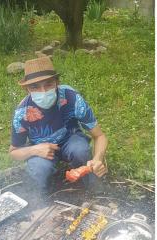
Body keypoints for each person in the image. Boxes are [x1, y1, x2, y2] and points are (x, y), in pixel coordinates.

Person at [9, 57, 108, 194]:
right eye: (35, 87)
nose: (43, 91)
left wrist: (97, 159)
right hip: (42, 149)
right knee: (38, 167)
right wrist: (35, 150)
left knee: (80, 150)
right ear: (27, 90)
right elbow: (13, 152)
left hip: (70, 139)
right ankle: (40, 201)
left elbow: (100, 136)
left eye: (48, 84)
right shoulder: (22, 113)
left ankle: (94, 188)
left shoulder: (72, 98)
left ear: (57, 83)